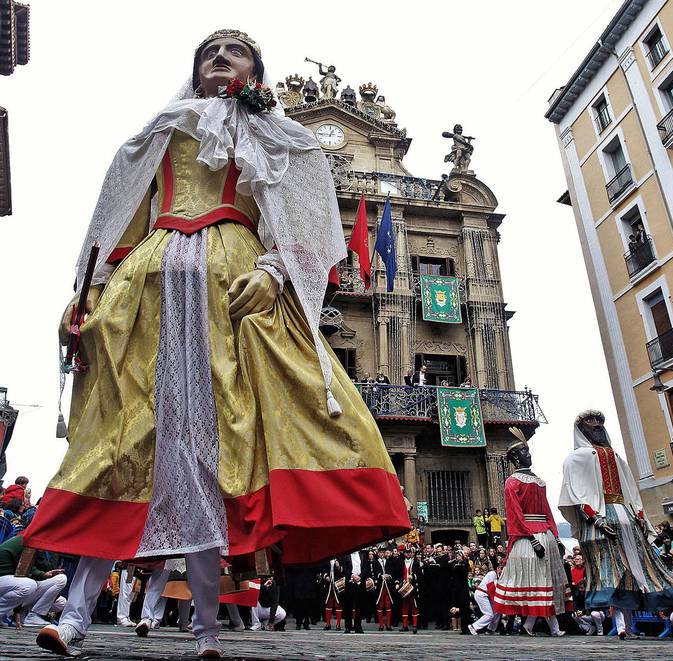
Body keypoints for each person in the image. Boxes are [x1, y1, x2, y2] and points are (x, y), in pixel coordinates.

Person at [29, 28, 409, 659]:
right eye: (210, 51)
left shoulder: (278, 137)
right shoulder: (163, 130)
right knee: (122, 445)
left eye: (236, 51)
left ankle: (207, 631)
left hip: (233, 290)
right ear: (195, 71)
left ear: (256, 71)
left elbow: (309, 218)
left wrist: (275, 268)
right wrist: (90, 287)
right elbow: (120, 216)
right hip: (148, 291)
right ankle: (72, 618)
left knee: (212, 456)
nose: (221, 57)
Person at [559, 410, 673, 638]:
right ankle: (621, 626)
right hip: (601, 520)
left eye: (600, 421)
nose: (597, 425)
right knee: (611, 573)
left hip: (626, 517)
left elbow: (630, 489)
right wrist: (594, 517)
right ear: (581, 428)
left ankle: (626, 627)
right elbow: (574, 492)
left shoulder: (616, 455)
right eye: (591, 421)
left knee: (630, 573)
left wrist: (639, 514)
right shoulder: (576, 458)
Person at [493, 432, 568, 637]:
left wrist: (556, 535)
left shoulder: (540, 481)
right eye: (524, 451)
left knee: (544, 582)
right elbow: (514, 514)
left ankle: (531, 625)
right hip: (529, 538)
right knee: (537, 581)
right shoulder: (512, 482)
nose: (529, 454)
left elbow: (547, 510)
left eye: (528, 450)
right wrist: (531, 538)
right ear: (516, 458)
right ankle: (493, 625)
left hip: (544, 534)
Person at [0, 531, 67, 628]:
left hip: (11, 582)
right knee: (29, 585)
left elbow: (28, 569)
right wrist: (17, 611)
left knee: (61, 596)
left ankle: (32, 615)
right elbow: (22, 573)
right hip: (6, 580)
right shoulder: (26, 541)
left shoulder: (31, 542)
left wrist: (43, 574)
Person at [394, 546, 421, 632]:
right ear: (404, 553)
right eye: (406, 552)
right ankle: (405, 626)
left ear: (411, 553)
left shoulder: (416, 563)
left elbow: (419, 574)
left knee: (414, 606)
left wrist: (412, 576)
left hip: (412, 588)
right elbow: (398, 574)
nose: (408, 554)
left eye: (409, 552)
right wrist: (397, 583)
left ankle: (415, 626)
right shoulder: (401, 563)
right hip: (404, 587)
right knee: (404, 606)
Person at [469, 567, 500, 635]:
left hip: (488, 595)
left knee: (497, 611)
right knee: (489, 614)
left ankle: (490, 629)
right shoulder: (492, 574)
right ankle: (473, 627)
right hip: (481, 594)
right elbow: (491, 588)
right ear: (498, 568)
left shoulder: (499, 576)